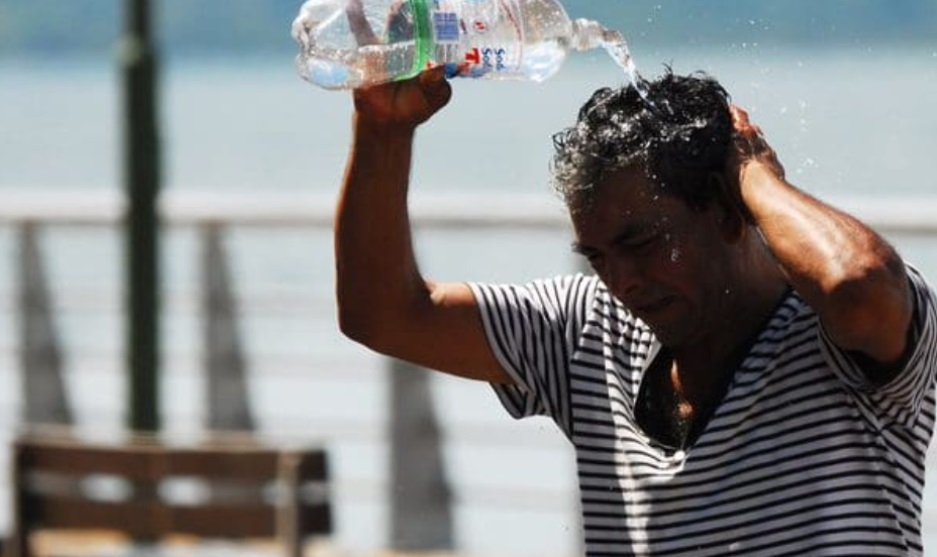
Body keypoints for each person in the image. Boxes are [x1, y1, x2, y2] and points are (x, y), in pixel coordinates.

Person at [334, 67, 937, 555]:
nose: (621, 281)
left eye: (643, 245)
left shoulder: (839, 337)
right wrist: (383, 130)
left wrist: (754, 173)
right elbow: (381, 313)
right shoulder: (586, 328)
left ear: (728, 213)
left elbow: (859, 286)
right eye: (596, 256)